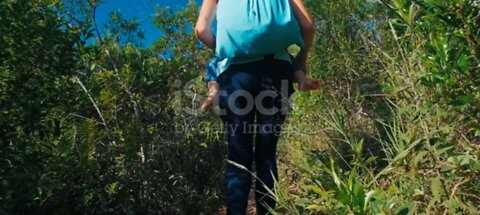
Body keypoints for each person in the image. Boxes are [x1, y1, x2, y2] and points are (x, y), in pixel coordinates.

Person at [195, 0, 316, 214]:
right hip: (277, 70)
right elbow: (307, 25)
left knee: (238, 155)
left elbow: (201, 30)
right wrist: (302, 61)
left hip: (235, 75)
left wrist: (232, 48)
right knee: (266, 153)